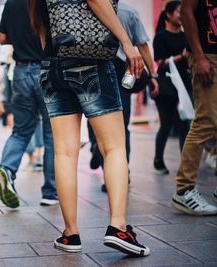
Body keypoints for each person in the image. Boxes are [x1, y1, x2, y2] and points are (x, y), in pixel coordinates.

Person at [28, 0, 150, 256]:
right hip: (91, 60)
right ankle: (118, 227)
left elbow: (42, 28)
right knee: (114, 147)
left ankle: (70, 233)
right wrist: (127, 44)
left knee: (64, 152)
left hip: (52, 64)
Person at [88, 0, 159, 192]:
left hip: (92, 71)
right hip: (121, 75)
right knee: (121, 126)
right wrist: (152, 75)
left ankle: (97, 147)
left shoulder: (86, 6)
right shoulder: (129, 11)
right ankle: (121, 173)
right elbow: (142, 45)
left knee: (93, 118)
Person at [0, 0, 58, 208]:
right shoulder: (46, 3)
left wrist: (20, 38)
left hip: (21, 72)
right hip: (45, 69)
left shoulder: (11, 4)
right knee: (51, 135)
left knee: (20, 130)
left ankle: (7, 168)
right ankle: (50, 191)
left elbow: (2, 38)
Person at [172, 0, 217, 215]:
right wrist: (200, 56)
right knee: (206, 122)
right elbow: (186, 12)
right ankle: (184, 189)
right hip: (208, 55)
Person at [153, 0, 192, 175]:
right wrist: (180, 56)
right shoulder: (161, 36)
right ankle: (158, 160)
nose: (181, 14)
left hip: (185, 85)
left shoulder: (186, 36)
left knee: (185, 124)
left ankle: (185, 164)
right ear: (169, 14)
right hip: (167, 86)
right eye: (178, 11)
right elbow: (159, 63)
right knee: (166, 125)